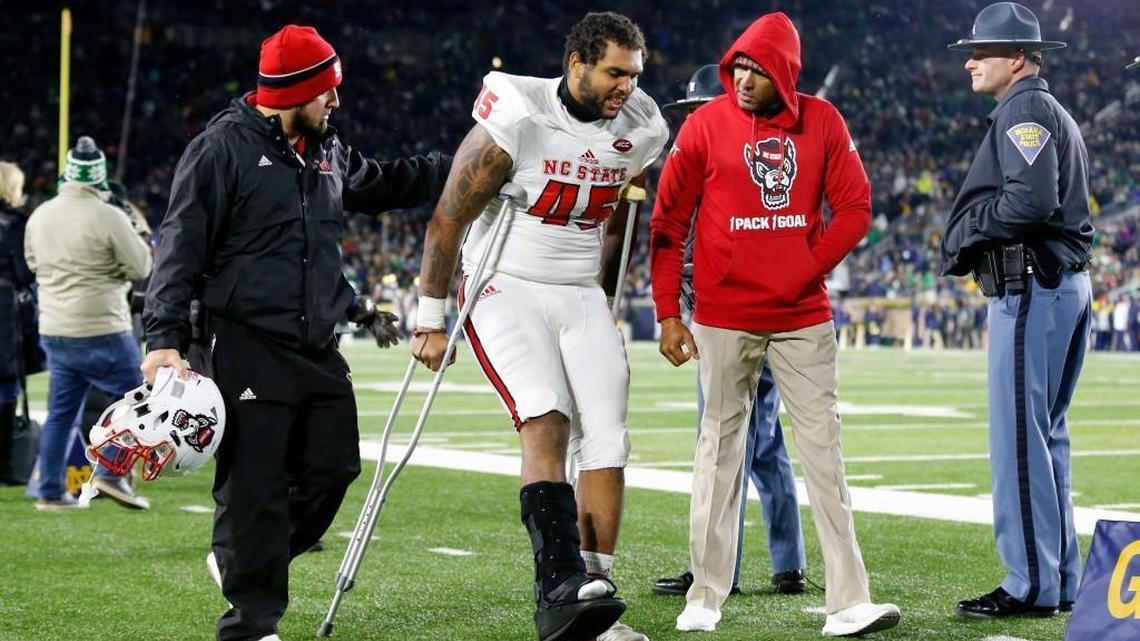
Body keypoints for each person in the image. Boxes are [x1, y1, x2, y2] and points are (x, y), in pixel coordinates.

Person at [140, 25, 446, 641]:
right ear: (292, 92)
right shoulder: (219, 150)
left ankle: (247, 560)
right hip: (243, 339)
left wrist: (464, 163)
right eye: (326, 90)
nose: (336, 101)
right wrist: (163, 339)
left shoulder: (325, 148)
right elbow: (179, 246)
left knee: (336, 467)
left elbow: (383, 183)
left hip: (313, 344)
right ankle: (250, 626)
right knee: (254, 487)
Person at [411, 12, 668, 641]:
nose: (626, 87)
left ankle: (595, 594)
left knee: (608, 438)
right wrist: (430, 318)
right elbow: (449, 216)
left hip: (579, 290)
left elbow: (619, 212)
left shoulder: (643, 125)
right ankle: (557, 584)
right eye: (614, 73)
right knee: (546, 416)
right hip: (506, 282)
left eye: (634, 75)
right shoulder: (518, 114)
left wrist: (603, 295)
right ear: (577, 63)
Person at [649, 12, 900, 636]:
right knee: (718, 451)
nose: (743, 80)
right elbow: (668, 221)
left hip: (801, 316)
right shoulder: (704, 124)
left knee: (824, 453)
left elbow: (856, 207)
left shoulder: (823, 120)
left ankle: (849, 602)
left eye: (757, 70)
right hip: (723, 316)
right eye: (737, 67)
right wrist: (668, 314)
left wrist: (802, 270)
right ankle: (704, 596)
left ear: (784, 75)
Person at [941, 2, 1093, 618]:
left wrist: (967, 229)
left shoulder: (1024, 110)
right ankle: (1058, 580)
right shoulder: (1039, 109)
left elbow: (1030, 203)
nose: (970, 62)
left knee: (1020, 443)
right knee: (1046, 440)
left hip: (1032, 286)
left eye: (982, 51)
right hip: (1057, 285)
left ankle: (1031, 584)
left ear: (1020, 59)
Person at [651, 64, 806, 599]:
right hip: (760, 316)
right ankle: (788, 562)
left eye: (699, 113)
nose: (693, 124)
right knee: (764, 442)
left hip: (736, 321)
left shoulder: (726, 169)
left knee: (722, 442)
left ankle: (717, 570)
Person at [24, 137, 153, 511]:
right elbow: (142, 266)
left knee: (62, 414)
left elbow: (32, 263)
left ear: (68, 174)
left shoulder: (40, 215)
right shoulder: (109, 215)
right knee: (138, 399)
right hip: (102, 326)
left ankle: (50, 490)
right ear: (99, 177)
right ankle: (111, 473)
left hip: (55, 329)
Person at [0, 161, 35, 485]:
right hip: (5, 312)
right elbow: (25, 271)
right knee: (7, 386)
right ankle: (6, 465)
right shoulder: (16, 223)